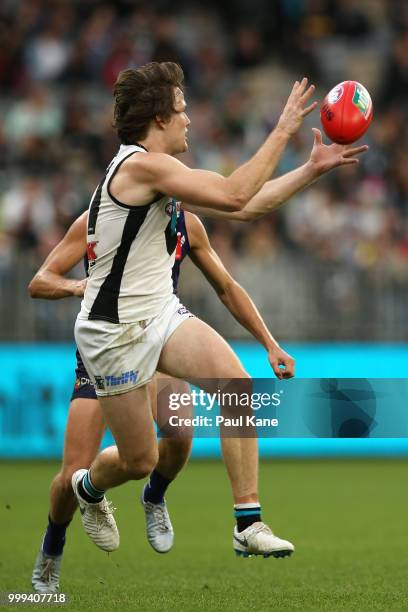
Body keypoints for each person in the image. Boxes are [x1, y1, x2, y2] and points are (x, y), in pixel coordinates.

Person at [29, 77, 367, 589]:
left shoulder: (166, 187)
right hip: (112, 334)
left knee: (235, 387)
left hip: (160, 316)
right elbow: (234, 193)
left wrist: (309, 169)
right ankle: (89, 490)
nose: (190, 118)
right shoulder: (140, 166)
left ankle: (247, 522)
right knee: (140, 459)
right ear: (159, 119)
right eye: (182, 109)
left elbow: (247, 204)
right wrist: (282, 129)